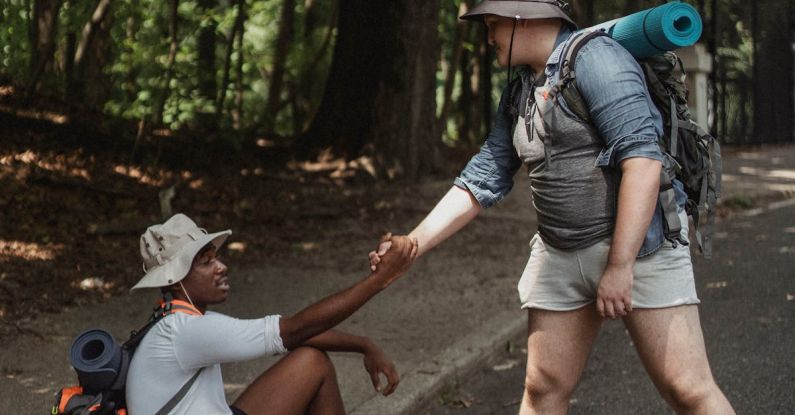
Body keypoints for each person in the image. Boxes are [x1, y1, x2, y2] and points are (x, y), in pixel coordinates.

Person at [369, 1, 734, 414]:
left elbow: (643, 162)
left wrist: (619, 266)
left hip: (641, 252)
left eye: (493, 24)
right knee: (543, 391)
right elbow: (484, 175)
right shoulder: (521, 87)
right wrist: (411, 245)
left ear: (523, 18)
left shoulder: (598, 59)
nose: (487, 37)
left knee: (687, 389)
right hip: (560, 254)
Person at [125, 213, 417, 415]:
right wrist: (379, 280)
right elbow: (292, 330)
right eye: (205, 263)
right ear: (176, 281)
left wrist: (363, 345)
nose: (221, 267)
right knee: (311, 360)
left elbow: (295, 335)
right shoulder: (185, 331)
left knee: (311, 361)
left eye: (216, 258)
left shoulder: (185, 322)